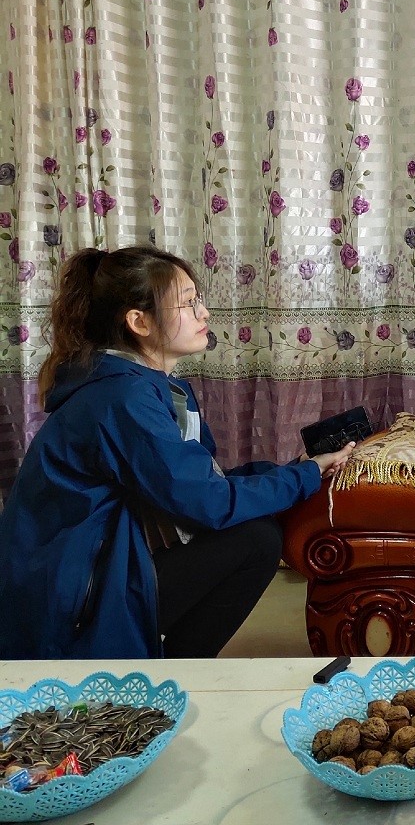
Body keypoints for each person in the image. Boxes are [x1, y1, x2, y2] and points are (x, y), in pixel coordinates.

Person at [0, 247, 354, 660]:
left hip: (94, 563)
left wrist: (295, 470)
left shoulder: (145, 386)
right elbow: (206, 502)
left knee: (255, 529)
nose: (204, 313)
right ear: (139, 322)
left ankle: (178, 668)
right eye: (187, 303)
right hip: (71, 595)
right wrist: (303, 477)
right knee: (256, 540)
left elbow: (195, 481)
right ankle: (180, 671)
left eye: (198, 299)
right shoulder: (124, 397)